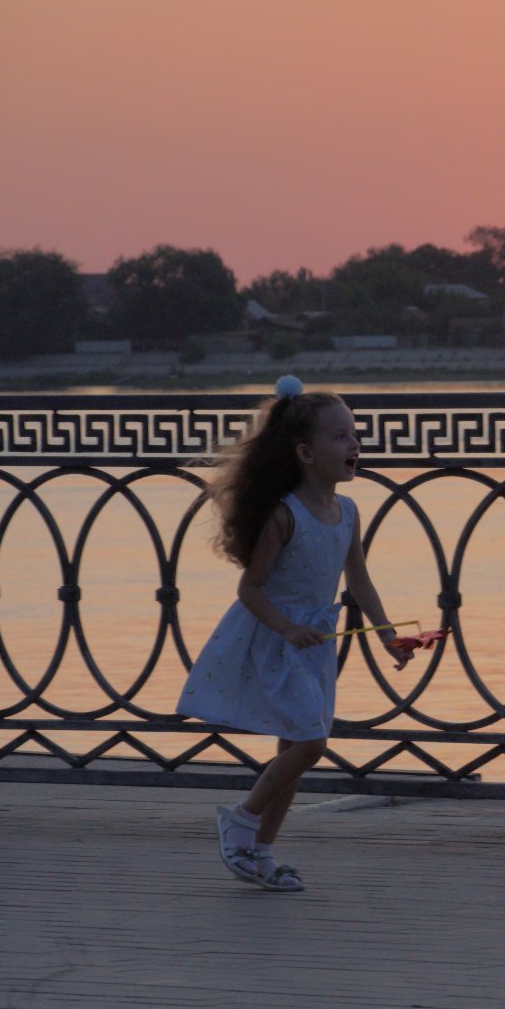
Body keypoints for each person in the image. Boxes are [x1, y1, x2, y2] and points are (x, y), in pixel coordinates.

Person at [178, 376, 409, 891]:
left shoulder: (347, 511)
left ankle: (261, 853)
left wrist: (387, 635)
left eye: (354, 434)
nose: (354, 445)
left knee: (293, 750)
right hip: (277, 640)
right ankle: (239, 819)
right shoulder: (286, 515)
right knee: (310, 742)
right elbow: (250, 589)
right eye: (340, 437)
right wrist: (287, 627)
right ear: (305, 452)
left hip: (315, 644)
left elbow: (359, 579)